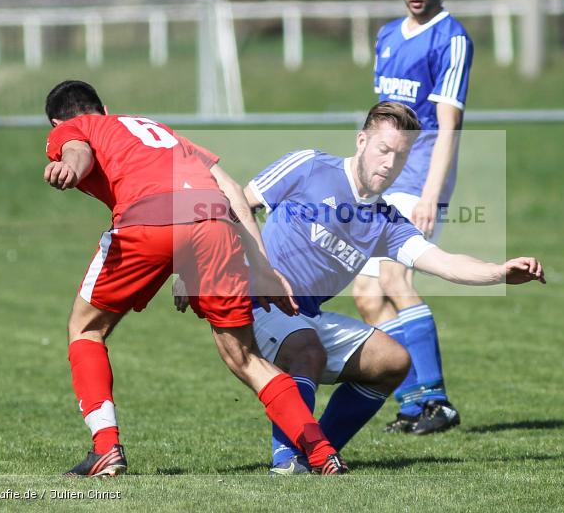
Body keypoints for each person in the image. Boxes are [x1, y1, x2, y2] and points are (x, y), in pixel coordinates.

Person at [175, 102, 543, 475]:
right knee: (307, 348)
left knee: (392, 361)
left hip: (303, 315)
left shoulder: (386, 222)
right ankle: (289, 461)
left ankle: (317, 452)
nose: (389, 163)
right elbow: (234, 205)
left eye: (400, 156)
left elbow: (443, 261)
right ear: (362, 140)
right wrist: (193, 268)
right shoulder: (309, 166)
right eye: (383, 150)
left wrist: (498, 272)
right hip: (255, 301)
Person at [43, 79, 347, 476]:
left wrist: (69, 165)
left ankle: (105, 449)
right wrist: (263, 269)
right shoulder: (161, 133)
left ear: (55, 122)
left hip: (149, 221)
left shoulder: (74, 128)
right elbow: (232, 190)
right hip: (214, 223)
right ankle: (323, 453)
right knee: (245, 356)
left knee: (85, 329)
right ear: (104, 107)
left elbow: (78, 151)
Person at [353, 0, 475, 435]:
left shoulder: (451, 38)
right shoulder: (386, 35)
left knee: (394, 280)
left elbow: (448, 127)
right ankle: (411, 403)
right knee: (365, 293)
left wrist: (430, 192)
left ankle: (437, 401)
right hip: (381, 179)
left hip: (420, 178)